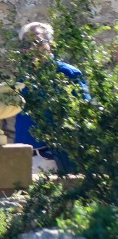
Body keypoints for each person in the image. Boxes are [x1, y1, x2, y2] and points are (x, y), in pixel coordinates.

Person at [13, 21, 89, 172]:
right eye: (27, 44)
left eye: (38, 42)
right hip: (24, 158)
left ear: (51, 43)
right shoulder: (23, 79)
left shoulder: (68, 74)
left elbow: (83, 113)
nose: (33, 48)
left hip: (53, 157)